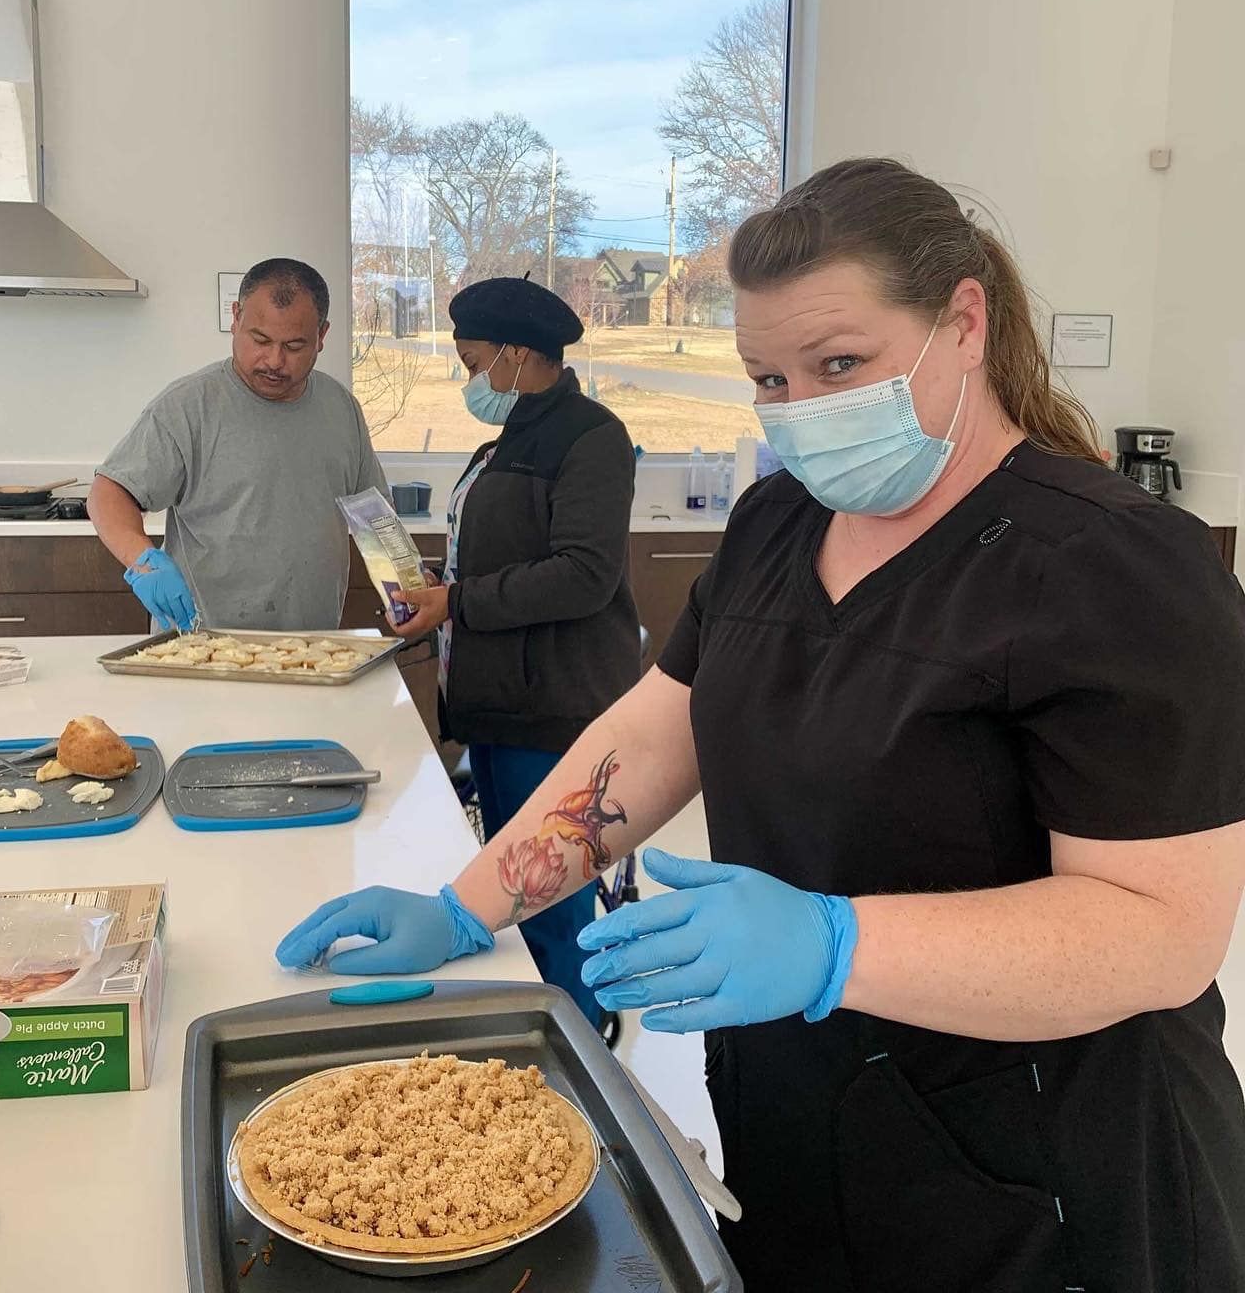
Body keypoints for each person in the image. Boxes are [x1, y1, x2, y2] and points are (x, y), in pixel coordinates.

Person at [277, 160, 1245, 1291]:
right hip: (800, 1114)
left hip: (1041, 1172)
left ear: (965, 322)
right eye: (768, 380)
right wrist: (467, 902)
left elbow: (1160, 933)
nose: (801, 413)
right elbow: (650, 737)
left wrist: (841, 945)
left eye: (841, 366)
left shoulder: (1119, 571)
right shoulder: (782, 520)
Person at [384, 276, 640, 1021]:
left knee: (553, 902)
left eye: (472, 363)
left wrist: (457, 601)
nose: (470, 380)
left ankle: (586, 1051)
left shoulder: (592, 437)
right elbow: (494, 554)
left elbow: (585, 575)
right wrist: (439, 580)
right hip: (497, 707)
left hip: (552, 712)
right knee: (513, 887)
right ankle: (542, 1031)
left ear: (515, 354)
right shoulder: (506, 441)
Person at [89, 257, 386, 631]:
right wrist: (143, 559)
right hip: (202, 647)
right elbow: (109, 492)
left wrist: (405, 582)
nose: (275, 361)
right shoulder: (189, 405)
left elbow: (374, 517)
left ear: (322, 336)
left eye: (295, 346)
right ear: (236, 317)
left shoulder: (340, 409)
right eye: (260, 340)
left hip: (311, 649)